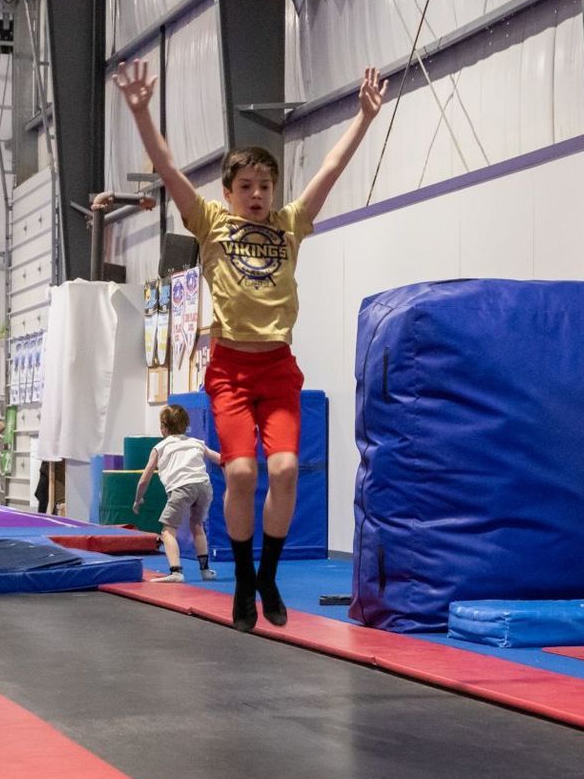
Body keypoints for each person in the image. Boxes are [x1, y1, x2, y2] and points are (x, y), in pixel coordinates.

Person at [114, 58, 386, 631]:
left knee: (285, 468)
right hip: (232, 371)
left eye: (265, 186)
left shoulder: (290, 225)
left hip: (279, 370)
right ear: (229, 191)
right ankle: (242, 579)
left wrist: (362, 118)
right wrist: (141, 113)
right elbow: (167, 169)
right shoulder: (211, 222)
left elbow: (331, 169)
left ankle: (268, 577)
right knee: (239, 475)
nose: (258, 194)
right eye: (247, 186)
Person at [137, 404, 223, 583]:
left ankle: (176, 572)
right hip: (203, 486)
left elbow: (145, 478)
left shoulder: (160, 447)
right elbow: (221, 459)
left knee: (168, 530)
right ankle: (205, 570)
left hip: (182, 487)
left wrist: (138, 498)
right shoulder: (196, 443)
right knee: (197, 525)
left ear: (163, 427)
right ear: (185, 426)